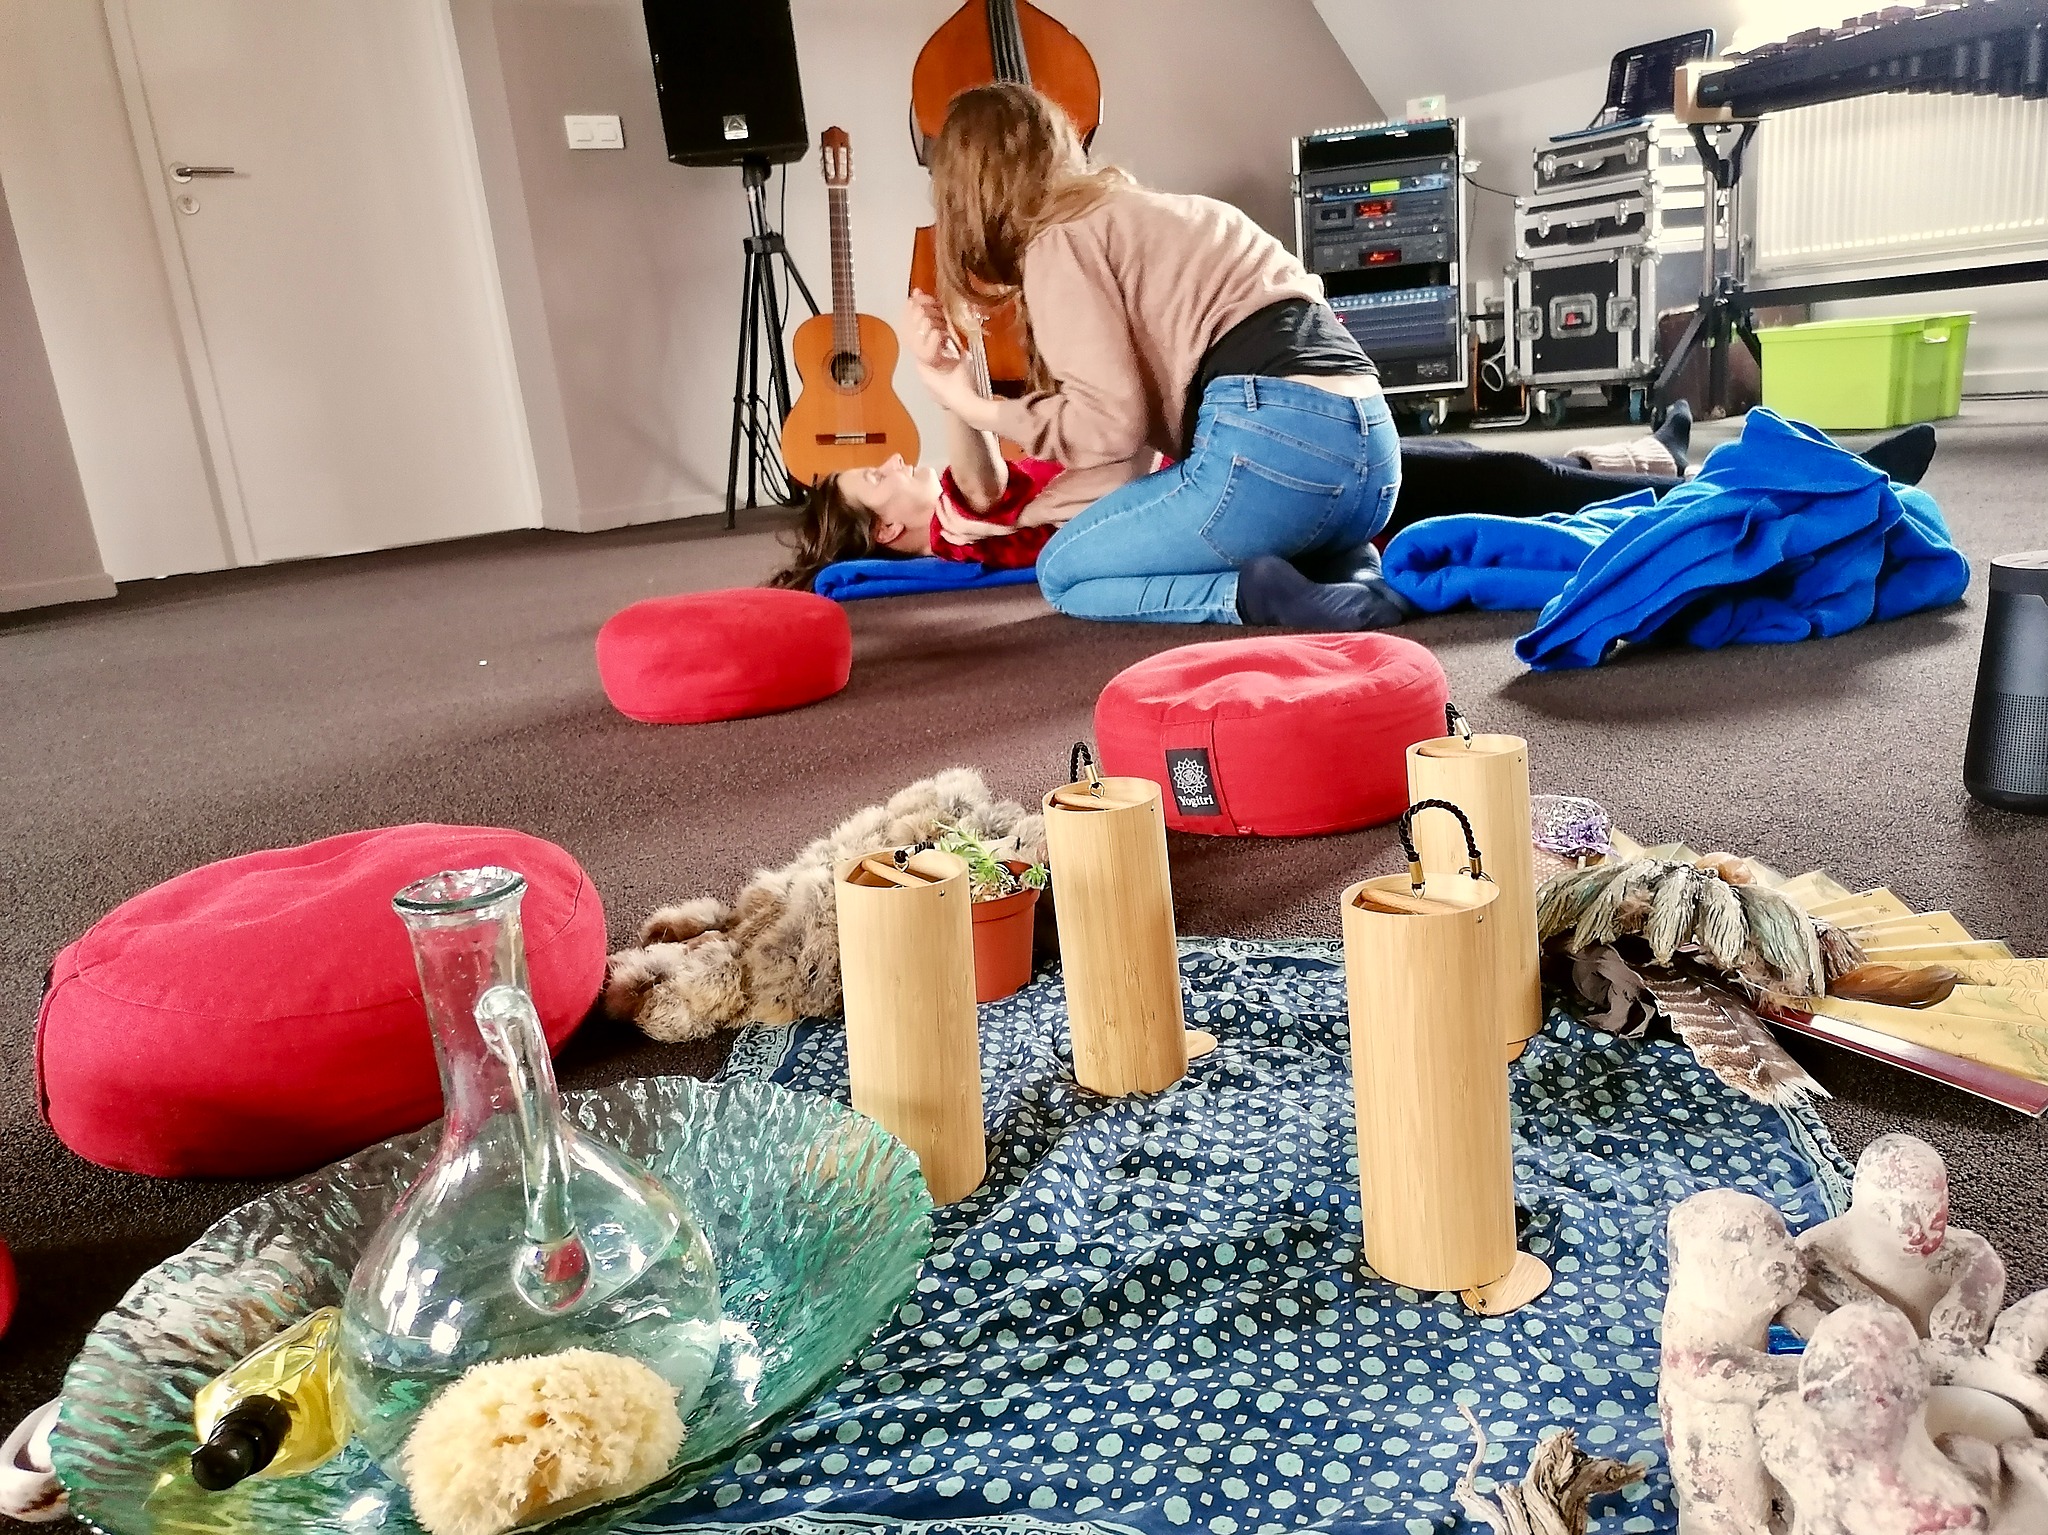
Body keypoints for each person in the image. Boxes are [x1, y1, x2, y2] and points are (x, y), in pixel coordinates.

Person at [904, 81, 1404, 630]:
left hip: (1275, 460)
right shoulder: (1172, 214)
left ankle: (1250, 594)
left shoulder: (1058, 240)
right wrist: (1041, 510)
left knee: (1062, 571)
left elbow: (1111, 428)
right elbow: (1134, 452)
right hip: (1375, 462)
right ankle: (1354, 572)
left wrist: (969, 404)